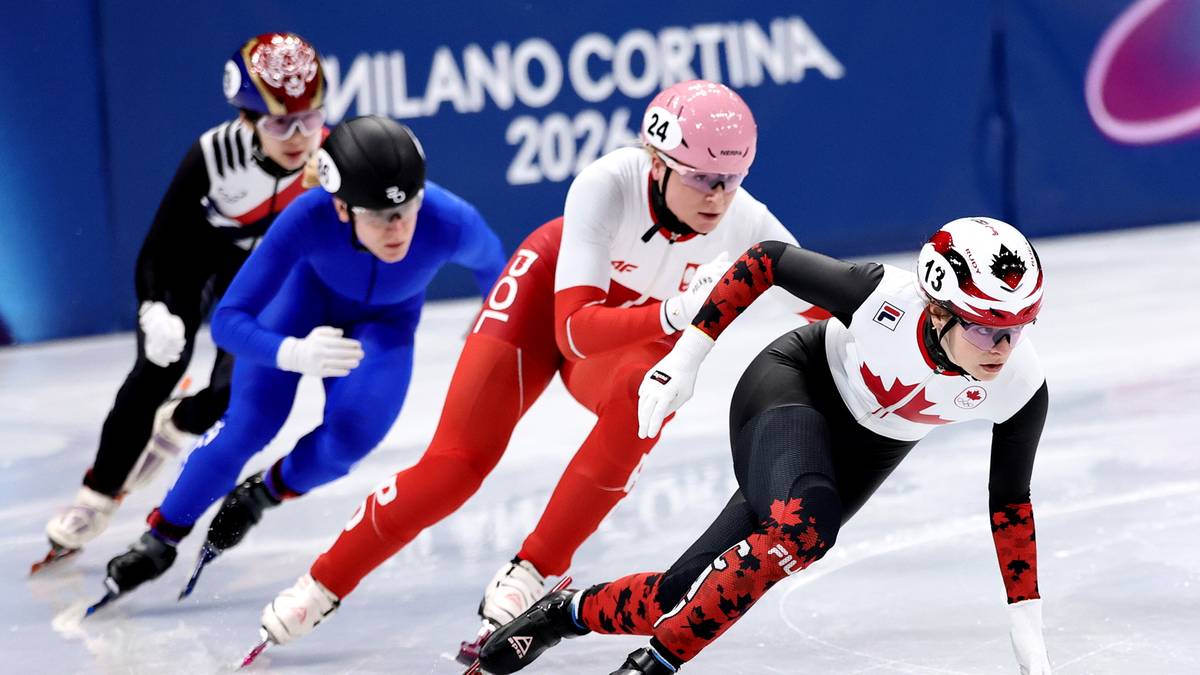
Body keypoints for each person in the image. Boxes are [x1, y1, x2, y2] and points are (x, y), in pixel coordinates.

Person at [252, 80, 828, 655]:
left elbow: (835, 299)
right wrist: (676, 312)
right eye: (702, 177)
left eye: (732, 179)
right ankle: (321, 583)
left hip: (625, 343)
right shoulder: (607, 183)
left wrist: (915, 318)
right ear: (657, 161)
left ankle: (534, 570)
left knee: (647, 397)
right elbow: (574, 332)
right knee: (455, 467)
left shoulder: (747, 222)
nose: (718, 197)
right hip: (548, 302)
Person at [479, 217, 1052, 675]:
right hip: (795, 385)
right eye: (983, 326)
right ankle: (650, 668)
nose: (1000, 347)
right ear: (937, 308)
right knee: (804, 530)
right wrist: (688, 356)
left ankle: (564, 613)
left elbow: (1010, 501)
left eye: (1016, 328)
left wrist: (1027, 626)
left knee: (679, 596)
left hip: (866, 451)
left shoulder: (1022, 385)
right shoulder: (884, 298)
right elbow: (766, 260)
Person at [95, 114, 506, 603]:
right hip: (298, 307)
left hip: (386, 326)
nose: (397, 229)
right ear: (340, 207)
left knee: (351, 439)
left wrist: (491, 321)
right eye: (376, 214)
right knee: (250, 424)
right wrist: (291, 352)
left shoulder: (450, 219)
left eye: (407, 209)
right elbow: (229, 320)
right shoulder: (306, 217)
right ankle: (160, 539)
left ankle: (262, 494)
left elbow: (497, 271)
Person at [38, 32, 328, 568]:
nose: (298, 137)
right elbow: (159, 242)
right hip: (194, 258)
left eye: (310, 119)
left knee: (230, 393)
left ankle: (180, 423)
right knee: (156, 366)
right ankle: (96, 496)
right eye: (280, 123)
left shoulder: (331, 160)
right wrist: (153, 304)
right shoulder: (214, 154)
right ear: (245, 119)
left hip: (256, 272)